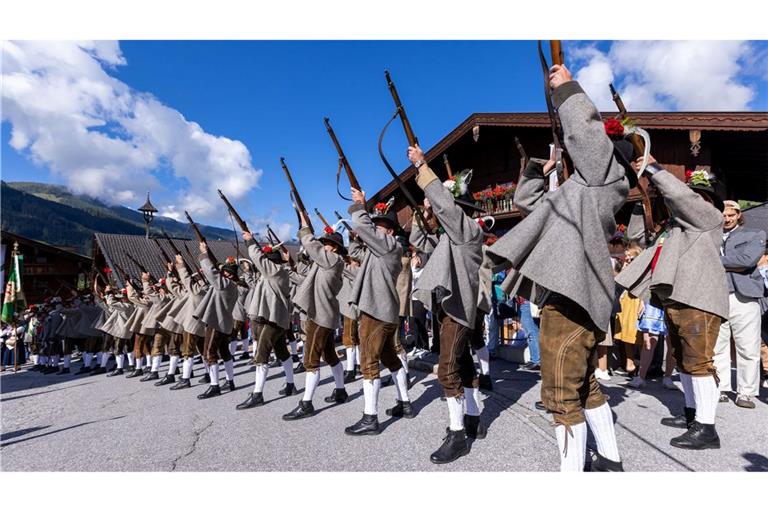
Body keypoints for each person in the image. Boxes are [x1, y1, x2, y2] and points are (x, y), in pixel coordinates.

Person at [487, 64, 631, 471]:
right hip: (567, 296)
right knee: (583, 387)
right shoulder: (577, 192)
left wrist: (566, 89)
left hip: (571, 299)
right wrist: (536, 171)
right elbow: (529, 206)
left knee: (560, 396)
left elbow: (586, 135)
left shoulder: (604, 179)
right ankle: (609, 460)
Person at [617, 163, 727, 450]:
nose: (694, 199)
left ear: (708, 201)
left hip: (698, 298)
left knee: (699, 362)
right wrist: (643, 202)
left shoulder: (709, 216)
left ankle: (706, 428)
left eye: (699, 195)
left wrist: (652, 167)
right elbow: (637, 238)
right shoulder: (675, 230)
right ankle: (693, 415)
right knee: (684, 361)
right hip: (677, 298)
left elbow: (682, 198)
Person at [408, 148, 485, 464]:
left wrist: (422, 167)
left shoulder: (468, 229)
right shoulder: (449, 238)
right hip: (447, 307)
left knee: (447, 369)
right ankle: (473, 417)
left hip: (457, 309)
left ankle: (457, 436)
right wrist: (422, 214)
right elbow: (419, 239)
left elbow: (445, 206)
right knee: (464, 365)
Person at [344, 193, 411, 436]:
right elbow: (356, 251)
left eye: (379, 226)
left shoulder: (389, 246)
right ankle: (405, 403)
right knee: (390, 359)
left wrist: (360, 204)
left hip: (376, 310)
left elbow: (362, 224)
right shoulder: (380, 249)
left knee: (368, 362)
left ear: (391, 231)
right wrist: (354, 238)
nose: (375, 229)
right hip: (384, 310)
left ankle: (370, 418)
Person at [283, 219, 349, 420]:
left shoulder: (333, 260)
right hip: (320, 314)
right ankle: (340, 390)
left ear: (335, 248)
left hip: (321, 316)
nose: (323, 245)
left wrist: (305, 227)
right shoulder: (325, 262)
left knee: (311, 360)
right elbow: (307, 261)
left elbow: (312, 246)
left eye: (326, 243)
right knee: (330, 355)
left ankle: (307, 403)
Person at [712, 200, 766, 409]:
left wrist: (717, 261)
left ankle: (746, 393)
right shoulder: (711, 235)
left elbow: (747, 261)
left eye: (730, 215)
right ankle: (722, 387)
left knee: (748, 346)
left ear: (738, 215)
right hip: (717, 294)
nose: (726, 219)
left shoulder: (755, 234)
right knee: (718, 345)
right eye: (723, 215)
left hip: (746, 296)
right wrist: (732, 264)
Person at [236, 233, 296, 410]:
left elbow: (256, 255)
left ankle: (257, 394)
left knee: (261, 355)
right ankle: (291, 385)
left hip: (273, 319)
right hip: (272, 318)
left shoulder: (275, 271)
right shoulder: (274, 273)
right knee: (282, 354)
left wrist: (249, 240)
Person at [193, 243, 239, 399]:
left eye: (229, 273)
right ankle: (230, 381)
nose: (226, 274)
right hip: (222, 323)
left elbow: (212, 274)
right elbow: (214, 276)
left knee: (209, 353)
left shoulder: (226, 284)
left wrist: (204, 254)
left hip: (216, 322)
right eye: (225, 272)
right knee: (225, 353)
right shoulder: (230, 284)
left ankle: (215, 386)